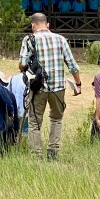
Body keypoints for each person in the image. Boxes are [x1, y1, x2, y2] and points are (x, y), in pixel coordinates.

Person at [18, 12, 81, 161]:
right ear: (47, 25)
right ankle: (53, 152)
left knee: (34, 122)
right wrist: (78, 83)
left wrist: (26, 66)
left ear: (33, 25)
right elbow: (72, 64)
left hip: (37, 86)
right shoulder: (60, 39)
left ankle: (36, 155)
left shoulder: (29, 39)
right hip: (58, 87)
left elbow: (22, 64)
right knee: (56, 119)